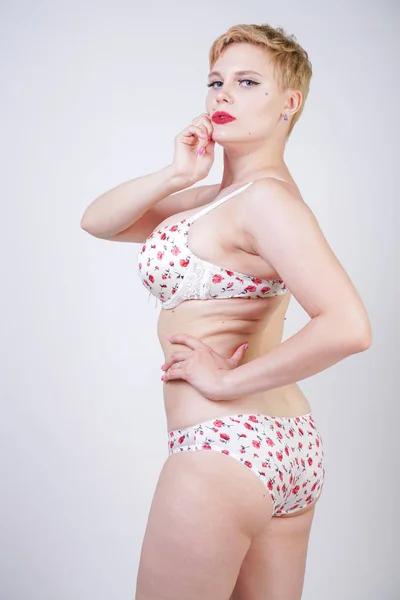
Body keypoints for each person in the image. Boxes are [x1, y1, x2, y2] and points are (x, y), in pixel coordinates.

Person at [81, 22, 372, 600]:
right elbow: (98, 221)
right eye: (216, 81)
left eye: (245, 82)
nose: (222, 95)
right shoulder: (218, 198)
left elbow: (348, 326)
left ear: (289, 103)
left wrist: (227, 380)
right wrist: (178, 172)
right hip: (282, 445)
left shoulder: (266, 200)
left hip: (225, 447)